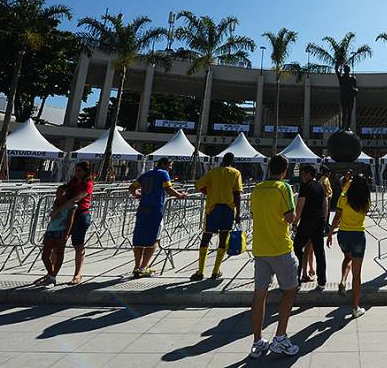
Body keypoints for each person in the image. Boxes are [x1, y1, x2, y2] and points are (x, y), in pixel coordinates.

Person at [249, 155, 300, 359]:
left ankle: (257, 341)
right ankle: (280, 337)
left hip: (260, 248)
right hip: (279, 247)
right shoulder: (283, 188)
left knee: (259, 294)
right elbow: (289, 218)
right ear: (284, 171)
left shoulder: (257, 189)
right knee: (290, 289)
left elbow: (255, 214)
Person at [128, 158, 187, 278]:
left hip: (143, 209)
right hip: (155, 210)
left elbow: (131, 188)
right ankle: (144, 268)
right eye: (170, 165)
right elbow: (168, 189)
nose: (170, 168)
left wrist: (139, 195)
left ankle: (136, 267)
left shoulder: (146, 174)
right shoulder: (163, 173)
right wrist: (180, 195)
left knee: (139, 239)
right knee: (154, 239)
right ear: (164, 164)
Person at [191, 153, 242, 281]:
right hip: (228, 209)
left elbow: (198, 185)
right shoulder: (235, 173)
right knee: (223, 239)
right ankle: (215, 271)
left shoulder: (213, 172)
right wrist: (238, 213)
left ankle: (201, 271)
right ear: (232, 161)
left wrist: (208, 192)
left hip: (212, 208)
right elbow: (237, 195)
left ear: (222, 160)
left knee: (206, 238)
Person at [327, 174, 372, 318]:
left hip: (343, 234)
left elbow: (337, 216)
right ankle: (355, 308)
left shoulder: (344, 197)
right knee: (357, 274)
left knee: (347, 258)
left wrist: (330, 233)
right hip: (358, 235)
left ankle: (342, 280)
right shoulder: (365, 201)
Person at [44, 161, 94, 284]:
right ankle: (52, 273)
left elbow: (76, 199)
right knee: (57, 245)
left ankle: (78, 274)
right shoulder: (72, 182)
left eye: (79, 171)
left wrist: (57, 210)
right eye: (76, 170)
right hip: (67, 215)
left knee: (78, 245)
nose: (77, 173)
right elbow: (63, 194)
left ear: (86, 172)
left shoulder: (88, 184)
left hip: (81, 215)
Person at [293, 164, 327, 289]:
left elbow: (300, 206)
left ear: (308, 174)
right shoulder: (320, 186)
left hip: (307, 221)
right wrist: (324, 219)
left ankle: (297, 278)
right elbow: (325, 205)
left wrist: (295, 222)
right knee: (319, 251)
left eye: (302, 174)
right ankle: (322, 280)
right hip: (319, 221)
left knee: (297, 247)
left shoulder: (305, 187)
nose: (301, 177)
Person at [35, 185, 77, 287]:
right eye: (57, 191)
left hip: (61, 230)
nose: (58, 194)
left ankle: (53, 277)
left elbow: (70, 220)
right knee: (45, 255)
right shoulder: (56, 203)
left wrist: (67, 232)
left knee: (59, 253)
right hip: (51, 229)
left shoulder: (72, 205)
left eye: (61, 192)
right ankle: (51, 274)